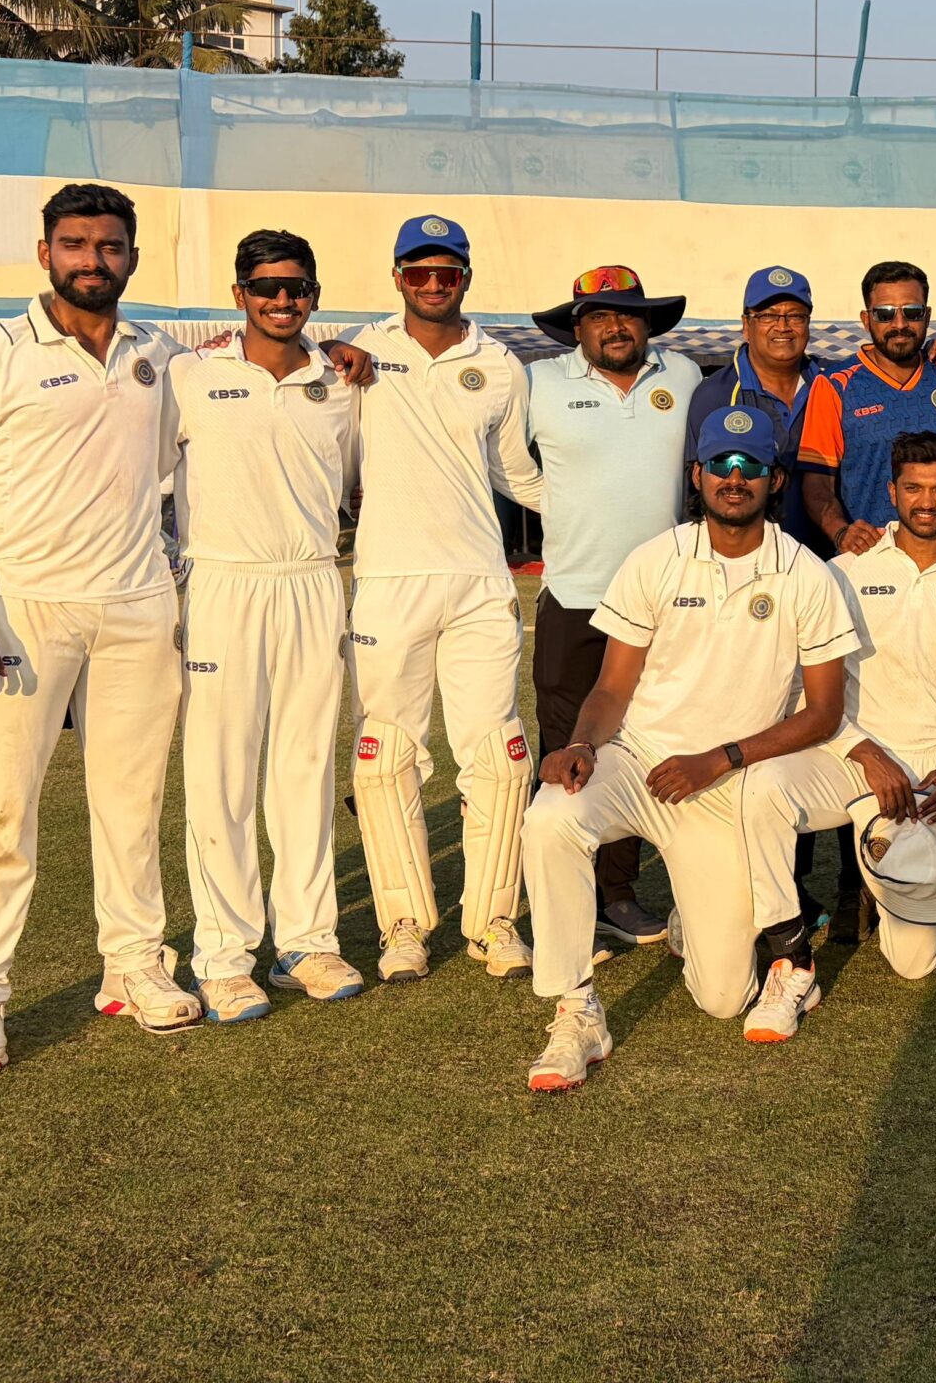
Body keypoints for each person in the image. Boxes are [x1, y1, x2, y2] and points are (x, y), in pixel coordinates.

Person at [0, 183, 201, 1075]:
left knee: (131, 799)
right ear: (44, 252)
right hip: (21, 608)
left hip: (135, 603)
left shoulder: (161, 353)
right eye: (75, 244)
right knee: (2, 806)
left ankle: (132, 965)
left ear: (132, 256)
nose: (93, 259)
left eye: (110, 245)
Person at [521, 407, 860, 1088]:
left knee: (722, 998)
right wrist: (583, 742)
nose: (736, 480)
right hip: (640, 761)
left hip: (722, 788)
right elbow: (613, 686)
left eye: (752, 468)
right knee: (551, 815)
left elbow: (823, 714)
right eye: (723, 467)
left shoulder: (806, 573)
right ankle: (576, 1009)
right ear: (697, 475)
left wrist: (721, 759)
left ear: (776, 480)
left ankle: (694, 918)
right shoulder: (655, 560)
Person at [740, 430, 936, 1031]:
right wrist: (862, 750)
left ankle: (889, 868)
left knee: (913, 965)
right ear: (891, 492)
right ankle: (791, 958)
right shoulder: (841, 572)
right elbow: (806, 689)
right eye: (913, 488)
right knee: (765, 786)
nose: (926, 502)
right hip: (847, 754)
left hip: (929, 770)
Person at [169, 230, 365, 1024]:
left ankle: (307, 943)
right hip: (223, 583)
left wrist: (351, 355)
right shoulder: (191, 373)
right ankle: (222, 954)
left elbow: (358, 481)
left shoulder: (343, 381)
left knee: (305, 769)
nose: (282, 302)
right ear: (240, 294)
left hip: (315, 581)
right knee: (221, 774)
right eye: (266, 288)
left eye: (297, 289)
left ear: (314, 295)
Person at [344, 213, 545, 984]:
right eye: (419, 273)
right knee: (388, 748)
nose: (434, 285)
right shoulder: (360, 355)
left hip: (479, 578)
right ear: (397, 277)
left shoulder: (499, 364)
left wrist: (602, 522)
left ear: (465, 276)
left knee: (496, 750)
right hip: (389, 579)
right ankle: (403, 924)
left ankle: (494, 918)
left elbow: (516, 474)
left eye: (447, 273)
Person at [526, 264, 695, 950]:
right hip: (573, 595)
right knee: (570, 747)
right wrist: (559, 508)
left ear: (647, 322)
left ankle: (618, 894)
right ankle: (560, 905)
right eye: (599, 314)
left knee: (642, 744)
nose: (616, 325)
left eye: (628, 313)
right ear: (577, 326)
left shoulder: (683, 376)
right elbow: (502, 459)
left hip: (663, 602)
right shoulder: (537, 382)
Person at [801, 261, 936, 556]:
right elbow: (817, 481)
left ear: (927, 316)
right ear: (866, 319)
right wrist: (841, 531)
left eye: (912, 312)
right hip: (871, 560)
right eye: (885, 314)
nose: (899, 324)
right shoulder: (835, 385)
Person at [687, 266, 830, 552]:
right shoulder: (716, 394)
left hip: (830, 563)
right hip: (747, 565)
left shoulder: (834, 385)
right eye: (767, 315)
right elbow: (699, 494)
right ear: (745, 325)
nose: (783, 326)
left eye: (795, 316)